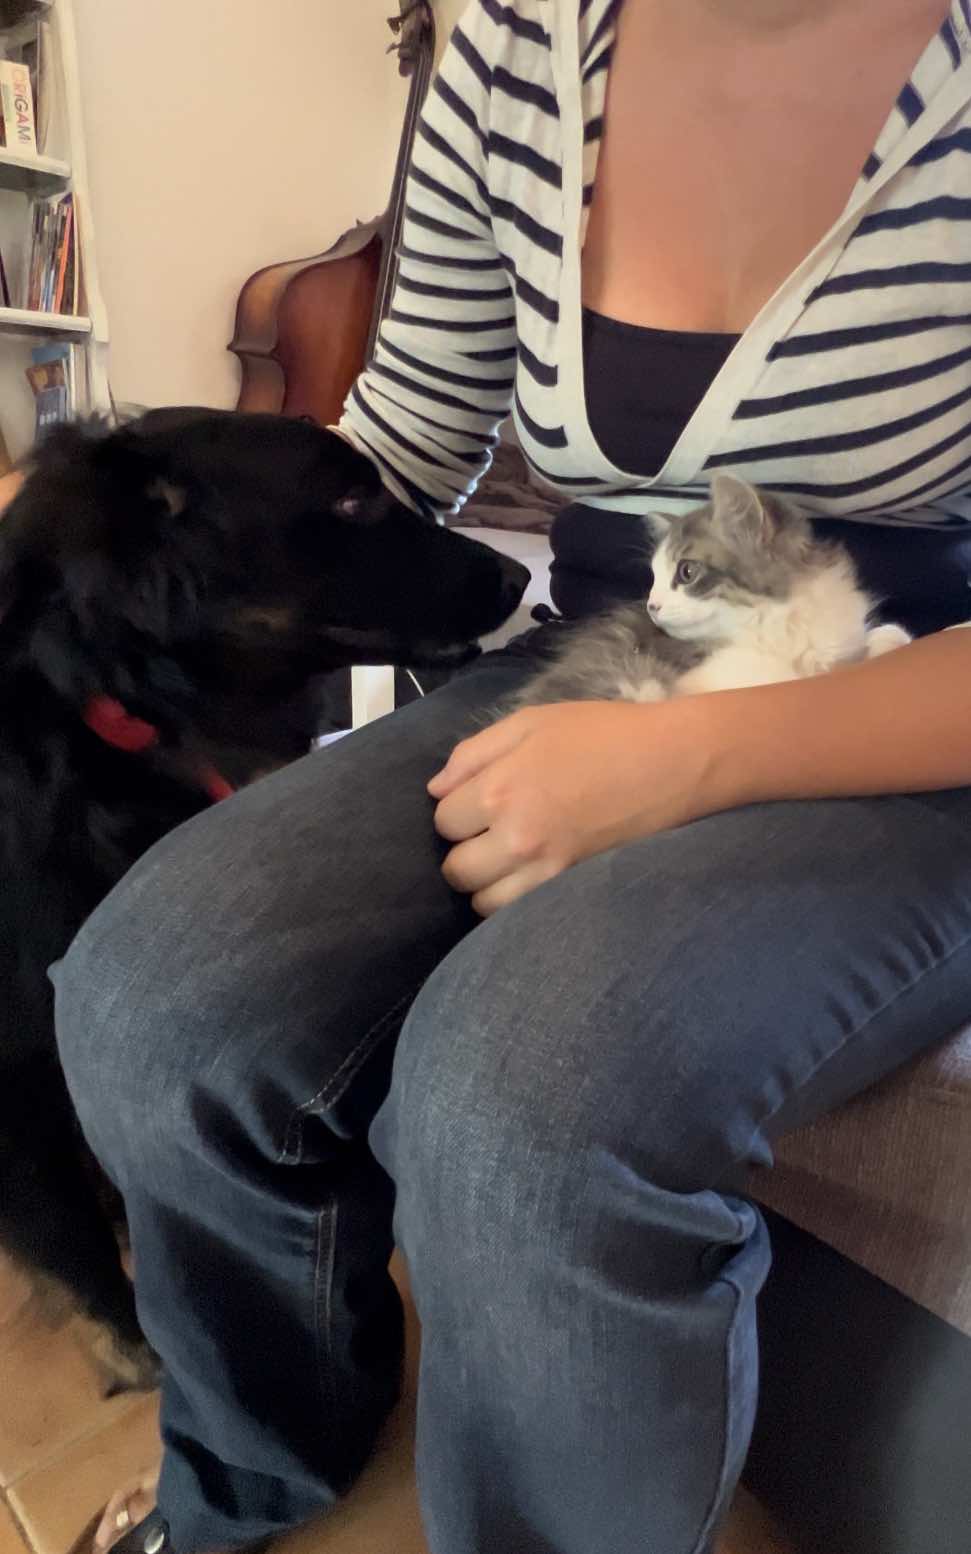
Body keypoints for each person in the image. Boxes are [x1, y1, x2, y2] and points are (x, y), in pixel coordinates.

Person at [55, 2, 971, 1551]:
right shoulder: (517, 39)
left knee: (517, 1102)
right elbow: (404, 442)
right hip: (613, 645)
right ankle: (256, 1476)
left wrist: (685, 758)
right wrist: (104, 533)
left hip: (910, 699)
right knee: (151, 994)